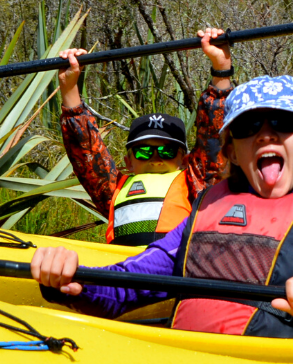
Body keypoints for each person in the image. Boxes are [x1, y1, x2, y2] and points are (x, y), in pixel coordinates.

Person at [31, 75, 293, 351]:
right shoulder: (208, 209)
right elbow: (128, 288)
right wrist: (70, 281)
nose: (266, 134)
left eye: (284, 123)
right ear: (232, 151)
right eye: (248, 129)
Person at [57, 28, 233, 246]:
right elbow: (86, 152)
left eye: (167, 150)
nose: (155, 157)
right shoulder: (114, 190)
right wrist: (69, 86)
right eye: (144, 151)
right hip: (125, 273)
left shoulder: (193, 183)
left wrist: (221, 69)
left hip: (172, 273)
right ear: (128, 162)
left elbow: (213, 136)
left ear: (184, 160)